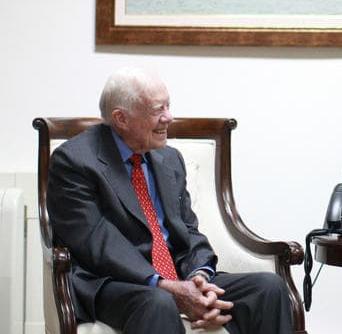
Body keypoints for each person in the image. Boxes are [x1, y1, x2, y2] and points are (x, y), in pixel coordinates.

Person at [46, 67, 293, 334]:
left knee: (269, 288)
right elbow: (98, 243)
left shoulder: (169, 159)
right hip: (112, 281)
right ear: (121, 118)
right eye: (157, 110)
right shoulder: (74, 161)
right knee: (159, 302)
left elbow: (187, 229)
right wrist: (163, 284)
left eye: (168, 106)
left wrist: (199, 279)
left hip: (177, 276)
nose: (169, 117)